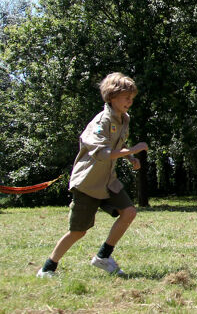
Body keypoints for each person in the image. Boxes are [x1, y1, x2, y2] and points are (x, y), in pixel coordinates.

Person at [36, 73, 148, 278]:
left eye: (132, 98)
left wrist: (129, 158)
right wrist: (132, 151)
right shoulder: (100, 121)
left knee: (129, 212)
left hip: (108, 182)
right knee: (78, 231)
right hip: (88, 183)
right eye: (126, 97)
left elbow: (117, 144)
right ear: (112, 96)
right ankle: (47, 268)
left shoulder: (124, 119)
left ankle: (103, 257)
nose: (130, 102)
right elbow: (103, 153)